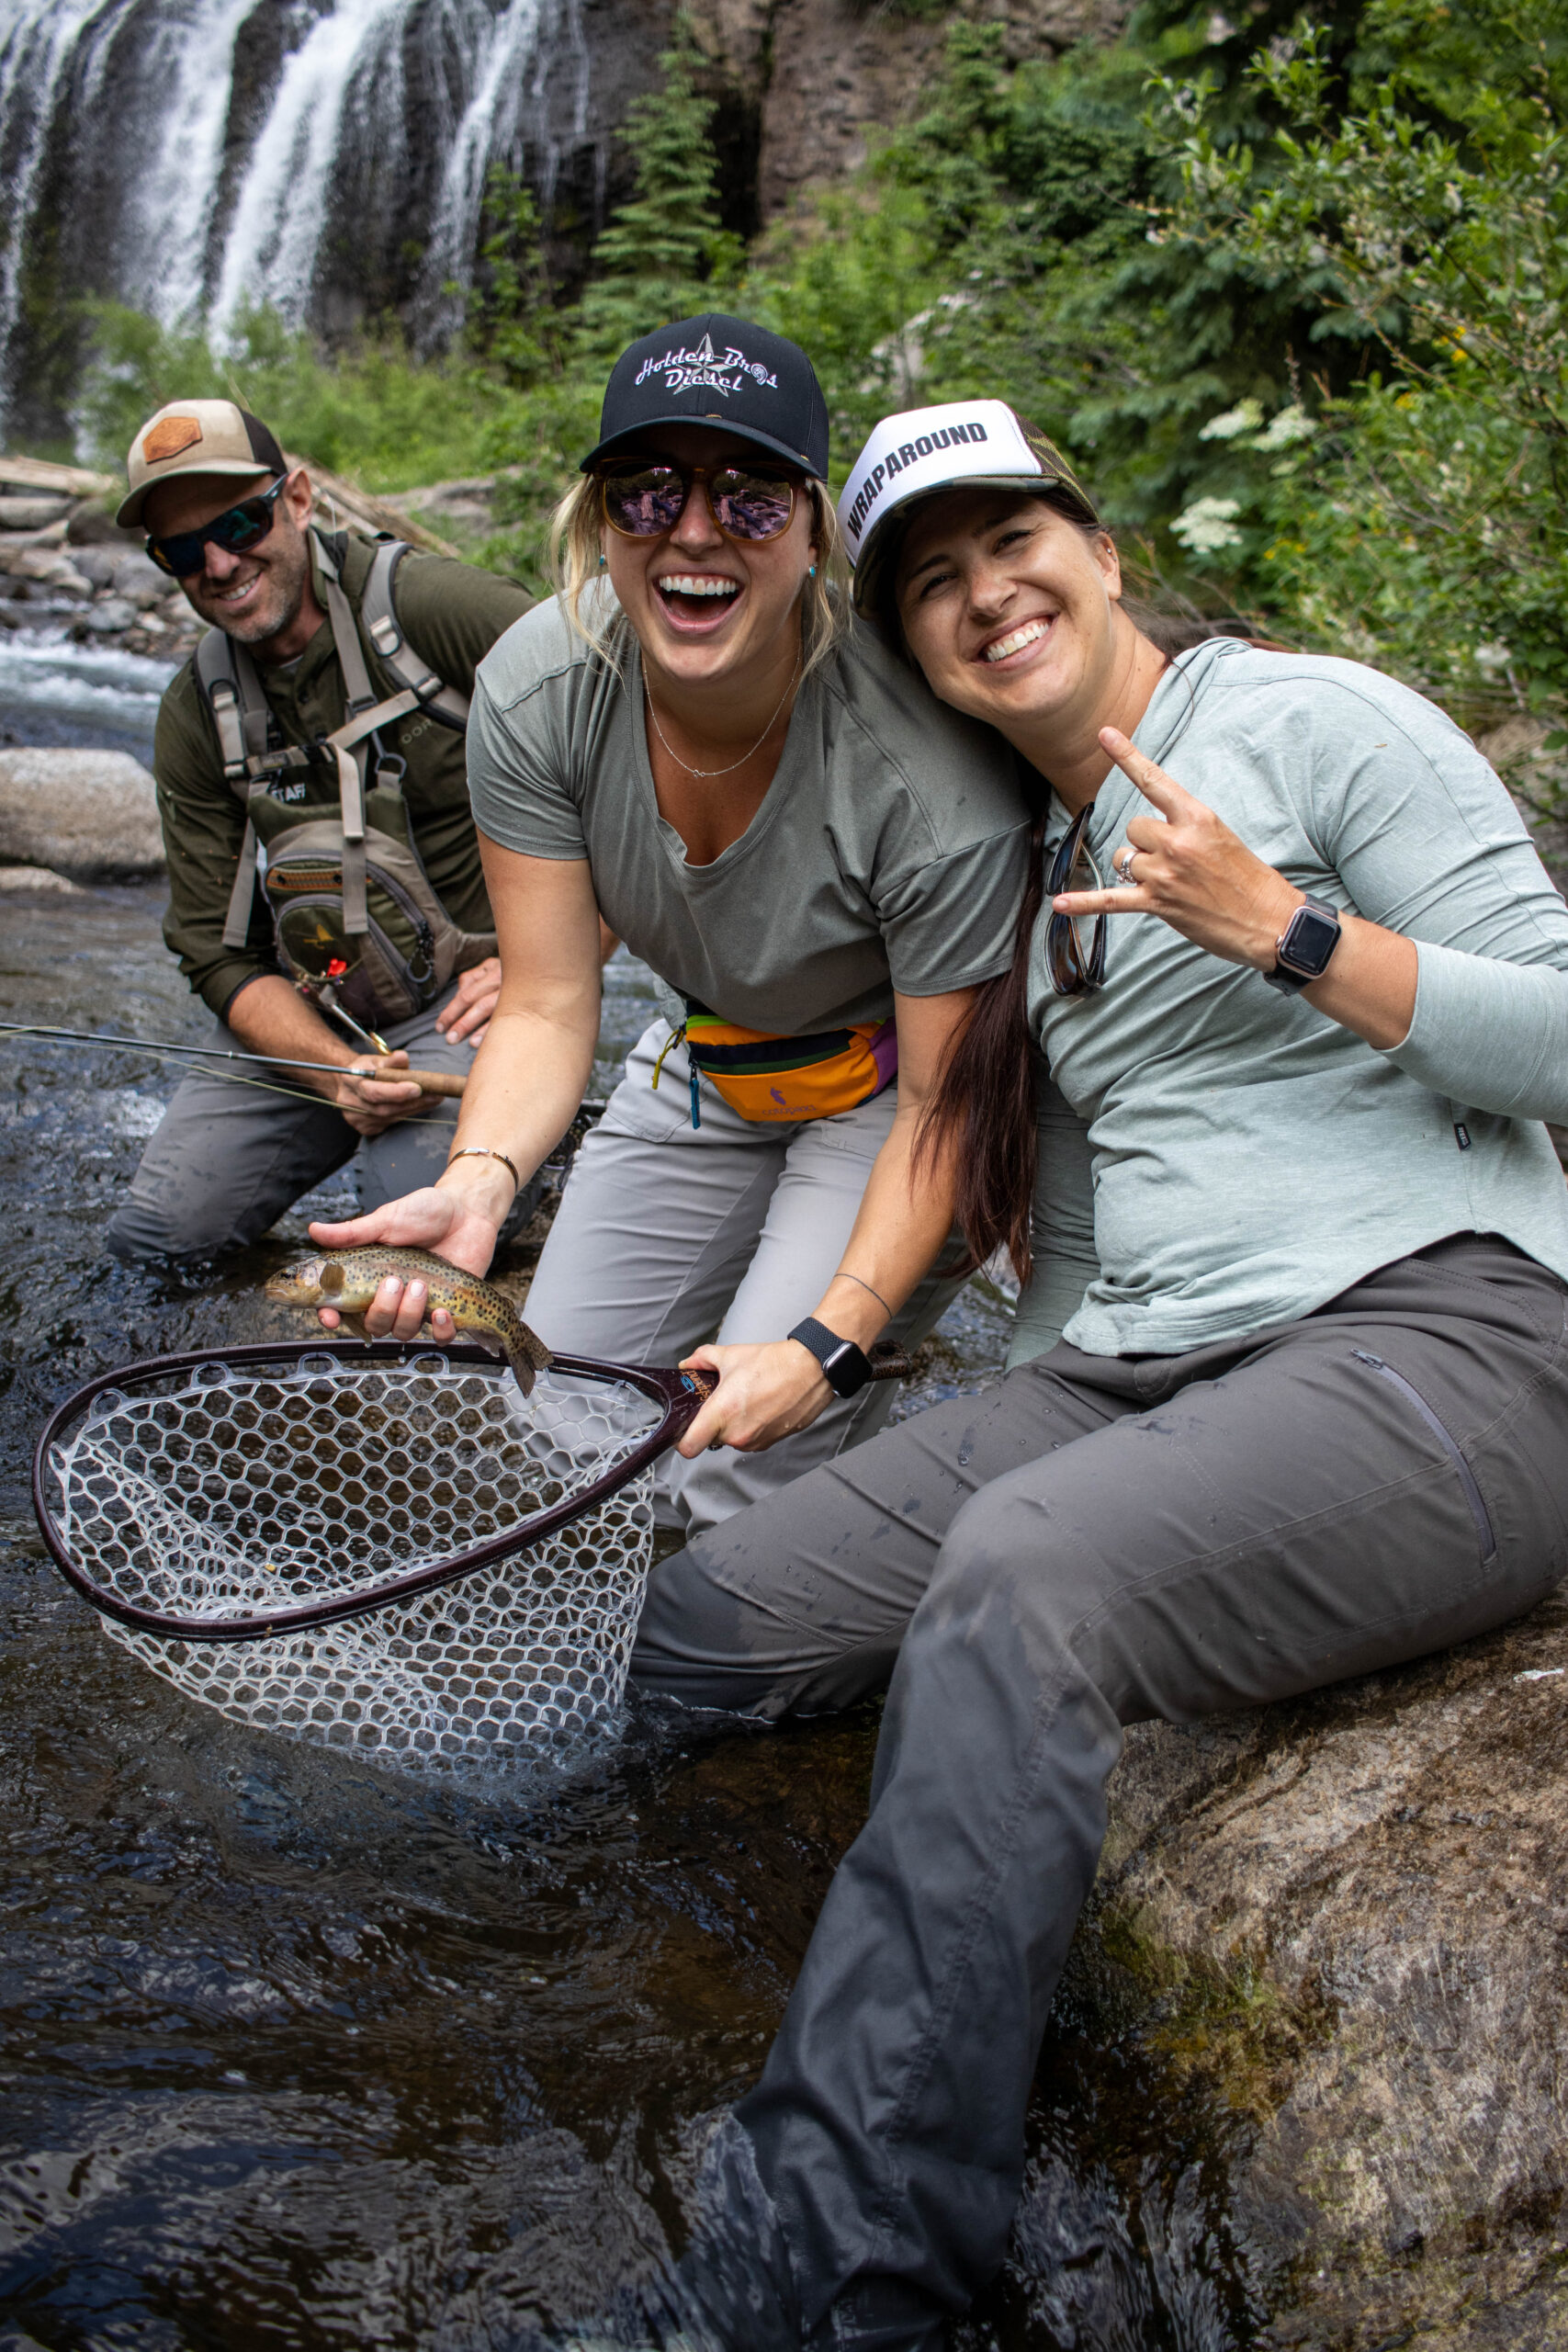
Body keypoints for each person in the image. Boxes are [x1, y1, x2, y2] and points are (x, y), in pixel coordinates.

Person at [617, 400, 1568, 2348]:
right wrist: (867, 1387)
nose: (983, 596)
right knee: (704, 1620)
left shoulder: (1315, 722)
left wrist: (1293, 933)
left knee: (1031, 1577)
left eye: (1008, 543)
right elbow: (1074, 1241)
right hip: (1154, 1371)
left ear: (1099, 546)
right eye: (929, 581)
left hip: (1453, 1334)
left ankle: (833, 2284)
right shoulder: (1014, 857)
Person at [314, 319, 1032, 1536]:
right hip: (713, 1055)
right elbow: (546, 1001)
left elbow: (946, 1110)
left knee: (732, 1472)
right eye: (647, 490)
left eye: (749, 498)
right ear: (601, 520)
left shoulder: (920, 779)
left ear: (813, 533)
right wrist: (479, 1188)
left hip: (894, 1089)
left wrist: (827, 1344)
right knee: (560, 1433)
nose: (691, 531)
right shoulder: (537, 690)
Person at [105, 397, 537, 1263]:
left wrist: (549, 967)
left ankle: (531, 1143)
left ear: (297, 498)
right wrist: (329, 1071)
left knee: (413, 1251)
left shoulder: (438, 611)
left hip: (472, 1010)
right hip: (320, 1017)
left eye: (239, 521)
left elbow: (628, 759)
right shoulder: (197, 712)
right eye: (181, 551)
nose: (219, 563)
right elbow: (217, 952)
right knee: (158, 1243)